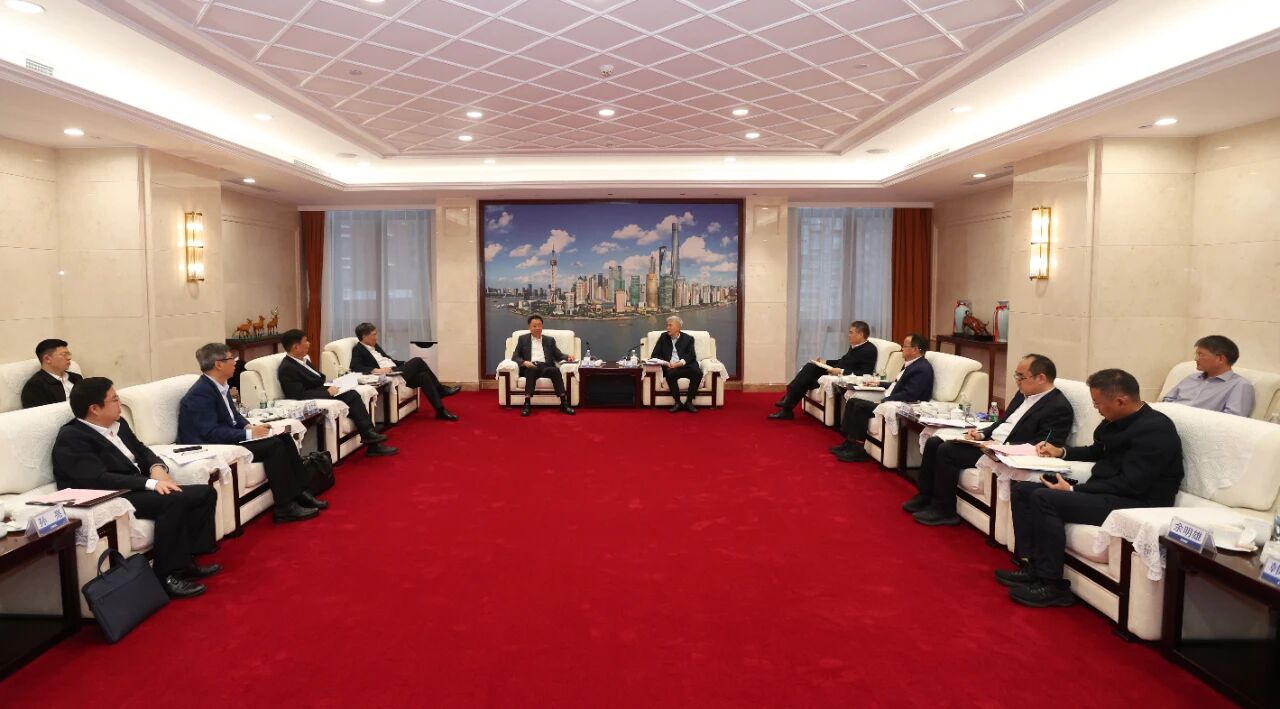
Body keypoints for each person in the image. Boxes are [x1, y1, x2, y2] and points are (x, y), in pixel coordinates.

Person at [998, 369, 1183, 608]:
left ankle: (1052, 584)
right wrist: (1061, 451)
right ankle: (1033, 566)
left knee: (1045, 498)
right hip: (1106, 491)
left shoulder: (1156, 430)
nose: (1096, 409)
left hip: (1135, 503)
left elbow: (1132, 484)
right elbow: (1097, 451)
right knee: (1023, 490)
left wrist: (1074, 491)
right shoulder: (1114, 420)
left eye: (1098, 404)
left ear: (1120, 401)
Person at [53, 377, 219, 599]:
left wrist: (157, 467)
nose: (120, 403)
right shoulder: (72, 437)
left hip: (135, 485)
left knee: (204, 493)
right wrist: (151, 483)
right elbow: (98, 479)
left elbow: (142, 451)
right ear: (94, 409)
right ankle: (167, 576)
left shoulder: (118, 424)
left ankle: (186, 562)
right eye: (114, 399)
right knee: (173, 499)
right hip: (111, 496)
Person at [904, 354, 1075, 526]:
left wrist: (1001, 447)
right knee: (934, 441)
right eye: (1016, 375)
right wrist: (982, 434)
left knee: (947, 450)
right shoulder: (1023, 393)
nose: (1017, 381)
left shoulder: (1058, 408)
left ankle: (944, 510)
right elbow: (1003, 422)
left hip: (1004, 453)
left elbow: (1042, 446)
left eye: (1021, 377)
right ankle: (924, 496)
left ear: (1041, 378)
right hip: (989, 443)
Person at [178, 343, 323, 524]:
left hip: (227, 437)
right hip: (210, 445)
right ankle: (284, 508)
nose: (235, 363)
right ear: (218, 364)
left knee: (284, 437)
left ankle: (301, 492)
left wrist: (249, 427)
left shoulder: (219, 385)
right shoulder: (200, 394)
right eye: (231, 359)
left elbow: (233, 416)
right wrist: (248, 435)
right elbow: (210, 432)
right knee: (274, 445)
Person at [277, 329, 397, 457]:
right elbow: (298, 395)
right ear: (296, 347)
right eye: (305, 341)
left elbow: (318, 380)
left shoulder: (302, 360)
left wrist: (333, 384)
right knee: (352, 395)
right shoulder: (287, 368)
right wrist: (327, 392)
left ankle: (370, 438)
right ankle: (370, 437)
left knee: (353, 393)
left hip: (323, 390)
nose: (309, 344)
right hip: (314, 398)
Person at [832, 334, 934, 463]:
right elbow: (897, 384)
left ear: (915, 349)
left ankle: (858, 449)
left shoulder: (922, 369)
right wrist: (879, 383)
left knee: (860, 406)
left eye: (905, 346)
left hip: (901, 405)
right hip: (892, 399)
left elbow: (910, 394)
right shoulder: (912, 364)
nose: (902, 349)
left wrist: (884, 401)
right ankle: (849, 443)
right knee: (852, 401)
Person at [349, 322, 460, 421]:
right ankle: (441, 390)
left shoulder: (375, 346)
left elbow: (388, 359)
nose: (376, 337)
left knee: (424, 376)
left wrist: (403, 363)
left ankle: (440, 411)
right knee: (418, 360)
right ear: (364, 336)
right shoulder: (358, 349)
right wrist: (377, 370)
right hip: (389, 375)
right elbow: (355, 367)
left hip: (396, 370)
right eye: (374, 335)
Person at [769, 321, 878, 420]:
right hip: (834, 372)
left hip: (843, 377)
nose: (848, 335)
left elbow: (866, 373)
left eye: (851, 332)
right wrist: (825, 362)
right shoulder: (855, 346)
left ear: (860, 334)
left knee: (807, 379)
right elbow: (842, 361)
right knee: (810, 367)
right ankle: (787, 404)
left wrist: (841, 371)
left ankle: (787, 405)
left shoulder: (869, 350)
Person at [1161, 335, 1254, 417]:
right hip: (1168, 419)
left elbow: (1232, 420)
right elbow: (1167, 400)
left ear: (1220, 359)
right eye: (1196, 354)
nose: (1196, 359)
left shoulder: (1240, 385)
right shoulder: (1191, 378)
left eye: (1201, 355)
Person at [510, 315, 575, 417]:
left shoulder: (549, 340)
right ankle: (527, 404)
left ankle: (564, 403)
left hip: (545, 367)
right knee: (531, 371)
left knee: (555, 370)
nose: (537, 328)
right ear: (529, 327)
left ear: (542, 326)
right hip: (531, 366)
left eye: (539, 325)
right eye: (534, 326)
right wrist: (524, 362)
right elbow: (515, 356)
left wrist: (568, 357)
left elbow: (558, 355)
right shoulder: (523, 339)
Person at [649, 315, 701, 413]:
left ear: (678, 327)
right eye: (667, 325)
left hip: (685, 365)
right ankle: (678, 402)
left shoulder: (688, 339)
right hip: (670, 367)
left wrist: (679, 363)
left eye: (670, 325)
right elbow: (655, 355)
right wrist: (666, 363)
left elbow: (691, 356)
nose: (667, 328)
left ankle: (689, 402)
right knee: (670, 374)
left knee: (698, 373)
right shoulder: (663, 337)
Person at [20, 339, 83, 408]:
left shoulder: (76, 377)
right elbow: (41, 413)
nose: (69, 358)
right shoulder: (35, 386)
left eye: (69, 354)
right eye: (64, 355)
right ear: (47, 359)